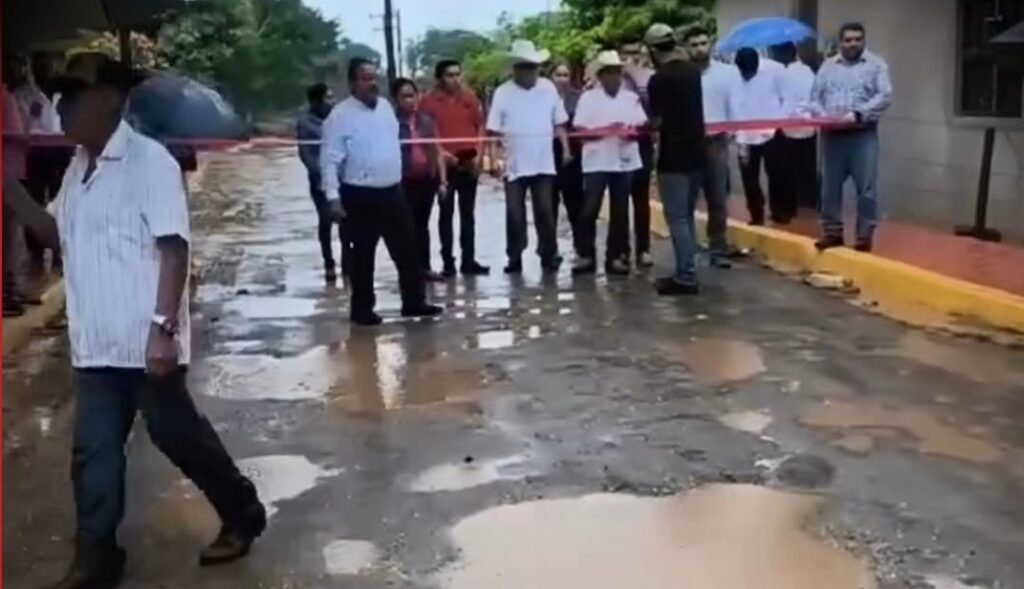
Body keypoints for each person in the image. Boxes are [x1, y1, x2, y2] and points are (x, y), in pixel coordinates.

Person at [6, 60, 267, 589]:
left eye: (73, 96)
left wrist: (163, 329)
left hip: (146, 343)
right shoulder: (78, 169)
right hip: (95, 344)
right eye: (60, 96)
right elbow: (56, 236)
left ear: (109, 99)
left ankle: (242, 511)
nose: (61, 107)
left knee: (179, 438)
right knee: (93, 454)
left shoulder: (150, 163)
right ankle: (96, 558)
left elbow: (174, 249)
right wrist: (8, 188)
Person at [320, 58, 443, 326]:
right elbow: (329, 160)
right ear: (352, 83)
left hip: (392, 191)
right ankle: (362, 309)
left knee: (408, 249)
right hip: (359, 193)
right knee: (362, 254)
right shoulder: (339, 116)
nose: (372, 83)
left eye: (374, 78)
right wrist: (333, 197)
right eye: (365, 78)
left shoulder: (386, 108)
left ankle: (413, 302)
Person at [486, 40, 572, 275]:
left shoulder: (548, 89)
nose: (530, 72)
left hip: (543, 162)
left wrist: (566, 150)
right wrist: (494, 159)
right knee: (514, 214)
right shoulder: (503, 93)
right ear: (516, 69)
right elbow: (493, 131)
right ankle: (514, 256)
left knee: (545, 211)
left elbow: (560, 123)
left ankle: (548, 253)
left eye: (533, 67)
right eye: (525, 67)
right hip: (514, 163)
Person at [810, 22, 892, 252]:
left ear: (864, 41)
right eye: (848, 40)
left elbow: (884, 96)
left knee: (866, 190)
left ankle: (864, 238)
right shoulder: (827, 67)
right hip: (832, 136)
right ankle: (832, 233)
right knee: (829, 188)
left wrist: (858, 114)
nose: (853, 44)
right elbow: (814, 99)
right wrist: (823, 116)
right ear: (840, 42)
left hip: (862, 135)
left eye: (858, 39)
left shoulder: (876, 65)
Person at [571, 50, 648, 276]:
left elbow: (641, 126)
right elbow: (580, 129)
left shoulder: (630, 98)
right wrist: (606, 131)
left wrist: (629, 132)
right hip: (596, 160)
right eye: (609, 73)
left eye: (617, 73)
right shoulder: (588, 98)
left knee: (620, 210)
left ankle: (616, 255)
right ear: (601, 76)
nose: (614, 77)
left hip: (624, 159)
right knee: (589, 209)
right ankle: (585, 254)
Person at [644, 23, 706, 296]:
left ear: (653, 49)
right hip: (697, 153)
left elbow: (657, 121)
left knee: (677, 219)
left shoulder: (659, 79)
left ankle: (687, 276)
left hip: (674, 156)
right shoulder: (692, 72)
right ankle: (686, 269)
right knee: (687, 216)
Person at [418, 59, 490, 277]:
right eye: (450, 75)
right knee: (445, 214)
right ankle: (448, 261)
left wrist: (479, 154)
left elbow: (480, 126)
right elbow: (425, 134)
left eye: (458, 74)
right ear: (439, 78)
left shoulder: (469, 97)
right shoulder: (428, 102)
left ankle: (469, 260)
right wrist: (441, 154)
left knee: (468, 214)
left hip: (468, 161)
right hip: (444, 166)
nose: (455, 79)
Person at [683, 26, 743, 268]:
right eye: (694, 45)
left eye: (703, 43)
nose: (700, 49)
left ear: (710, 45)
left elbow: (735, 106)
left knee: (717, 198)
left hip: (717, 143)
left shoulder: (727, 74)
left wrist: (736, 140)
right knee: (686, 201)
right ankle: (687, 250)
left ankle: (718, 248)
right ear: (686, 48)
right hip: (687, 144)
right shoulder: (682, 75)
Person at [393, 77, 448, 282]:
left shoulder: (426, 121)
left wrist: (442, 181)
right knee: (405, 227)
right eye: (405, 96)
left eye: (413, 95)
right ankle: (409, 270)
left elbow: (436, 150)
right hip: (402, 181)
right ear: (396, 99)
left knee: (422, 225)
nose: (410, 100)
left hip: (426, 179)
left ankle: (424, 268)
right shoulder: (391, 123)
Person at [297, 82, 351, 282]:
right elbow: (306, 155)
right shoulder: (305, 123)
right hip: (320, 182)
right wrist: (324, 176)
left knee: (347, 222)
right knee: (326, 221)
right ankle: (329, 263)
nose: (333, 101)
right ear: (316, 101)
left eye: (332, 97)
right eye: (328, 97)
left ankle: (348, 264)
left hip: (343, 179)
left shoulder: (339, 119)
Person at [734, 47, 789, 225]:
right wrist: (739, 137)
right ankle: (756, 213)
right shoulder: (733, 77)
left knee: (778, 174)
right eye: (744, 72)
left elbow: (786, 98)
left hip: (773, 131)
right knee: (749, 177)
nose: (747, 75)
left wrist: (780, 121)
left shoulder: (776, 70)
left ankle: (779, 211)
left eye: (750, 72)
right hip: (745, 135)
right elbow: (736, 106)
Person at [620, 40, 656, 268]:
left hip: (642, 144)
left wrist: (635, 77)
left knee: (641, 199)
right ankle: (621, 249)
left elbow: (653, 110)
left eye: (635, 52)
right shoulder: (608, 79)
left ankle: (643, 249)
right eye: (626, 53)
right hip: (617, 145)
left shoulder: (649, 77)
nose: (631, 58)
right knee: (620, 199)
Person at [772, 42, 819, 211]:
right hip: (808, 126)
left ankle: (789, 205)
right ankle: (810, 201)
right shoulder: (808, 71)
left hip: (788, 127)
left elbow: (783, 102)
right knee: (807, 167)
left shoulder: (782, 74)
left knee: (786, 170)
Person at [548, 60, 585, 248]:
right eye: (558, 75)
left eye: (565, 75)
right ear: (551, 77)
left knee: (575, 202)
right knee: (549, 204)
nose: (562, 79)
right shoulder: (543, 99)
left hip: (573, 156)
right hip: (548, 155)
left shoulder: (578, 98)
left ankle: (582, 247)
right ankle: (550, 248)